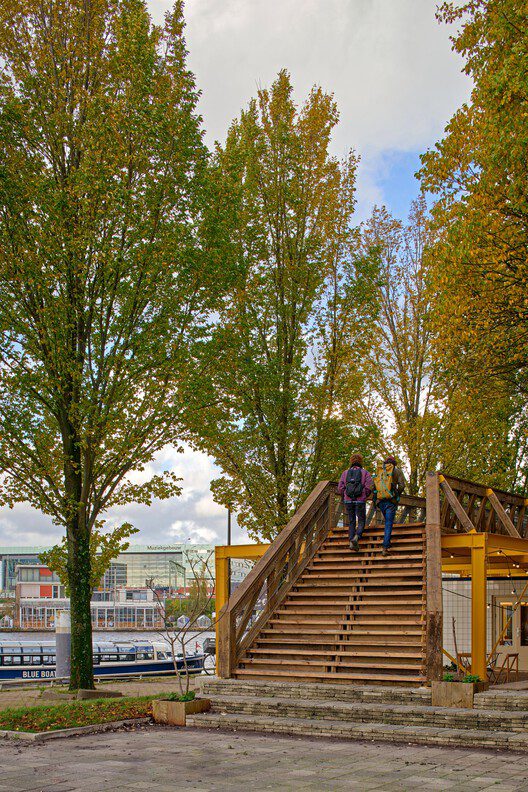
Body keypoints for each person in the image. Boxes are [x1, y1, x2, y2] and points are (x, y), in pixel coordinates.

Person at [337, 453, 373, 552]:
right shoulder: (365, 472)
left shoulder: (345, 473)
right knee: (361, 520)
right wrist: (364, 495)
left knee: (351, 521)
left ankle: (350, 542)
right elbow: (369, 486)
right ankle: (356, 538)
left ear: (351, 461)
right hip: (360, 500)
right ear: (361, 461)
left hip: (348, 500)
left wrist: (345, 494)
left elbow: (340, 488)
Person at [372, 454, 406, 556]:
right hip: (391, 501)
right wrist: (396, 494)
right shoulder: (397, 471)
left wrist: (375, 498)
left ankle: (388, 542)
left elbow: (373, 485)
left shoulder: (380, 470)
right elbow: (402, 485)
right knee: (388, 523)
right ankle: (385, 546)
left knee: (387, 521)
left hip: (380, 500)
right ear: (394, 463)